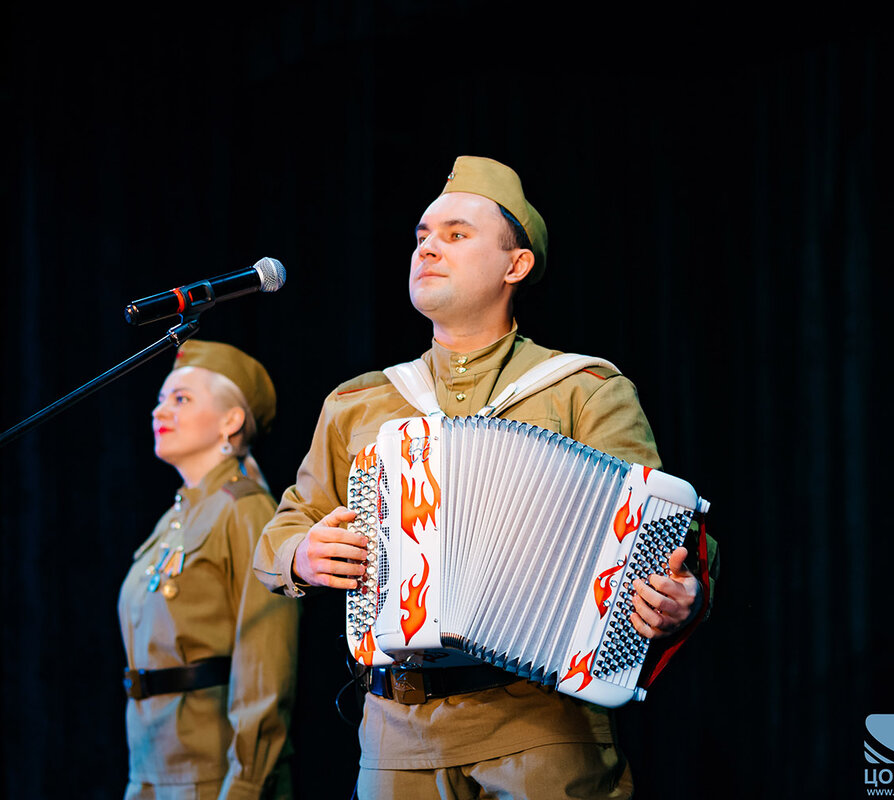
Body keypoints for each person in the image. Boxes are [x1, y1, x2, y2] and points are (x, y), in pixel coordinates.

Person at [253, 156, 717, 799]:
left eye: (456, 234)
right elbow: (286, 527)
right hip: (394, 737)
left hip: (544, 730)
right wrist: (300, 555)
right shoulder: (357, 403)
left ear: (515, 265)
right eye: (421, 237)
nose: (428, 248)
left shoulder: (584, 391)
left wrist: (683, 592)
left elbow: (668, 541)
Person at [119, 339, 299, 800]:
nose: (159, 412)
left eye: (180, 399)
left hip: (211, 773)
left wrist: (245, 785)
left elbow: (265, 665)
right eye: (160, 400)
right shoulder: (175, 519)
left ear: (231, 420)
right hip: (152, 768)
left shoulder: (248, 511)